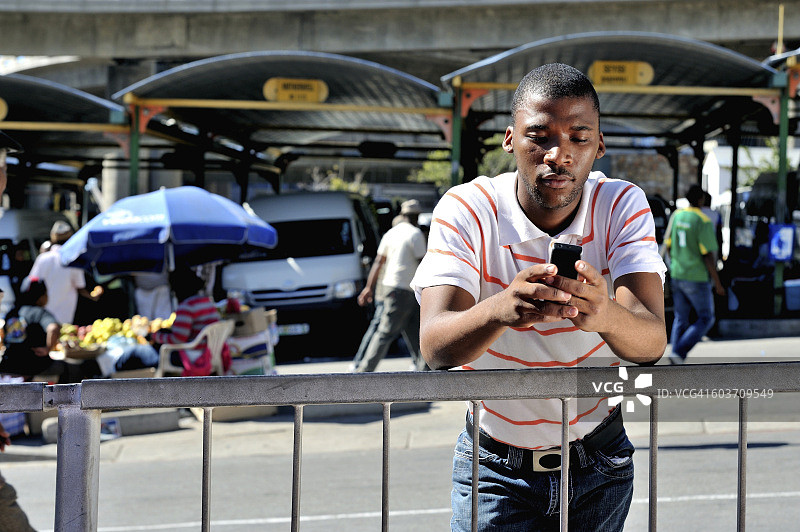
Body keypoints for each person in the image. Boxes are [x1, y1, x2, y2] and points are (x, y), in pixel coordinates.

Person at [411, 63, 667, 531]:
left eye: (578, 137)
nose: (559, 154)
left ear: (599, 145)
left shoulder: (621, 204)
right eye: (539, 136)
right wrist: (500, 309)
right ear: (510, 139)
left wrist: (604, 315)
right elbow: (435, 347)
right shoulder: (467, 208)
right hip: (495, 467)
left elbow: (651, 343)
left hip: (600, 461)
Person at [354, 200, 428, 372]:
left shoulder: (391, 233)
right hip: (404, 289)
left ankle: (425, 371)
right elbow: (423, 264)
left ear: (402, 215)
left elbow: (378, 261)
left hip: (391, 287)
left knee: (416, 333)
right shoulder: (416, 234)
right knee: (385, 332)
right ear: (417, 217)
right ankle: (363, 372)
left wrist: (369, 288)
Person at [664, 184, 725, 364]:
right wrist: (718, 282)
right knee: (706, 317)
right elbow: (708, 255)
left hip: (678, 273)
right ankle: (679, 351)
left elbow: (668, 245)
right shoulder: (703, 220)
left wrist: (674, 264)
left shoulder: (677, 215)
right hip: (696, 277)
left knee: (680, 318)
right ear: (701, 199)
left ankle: (675, 354)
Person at [150, 268, 229, 376]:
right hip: (210, 351)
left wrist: (155, 336)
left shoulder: (187, 306)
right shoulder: (206, 301)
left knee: (148, 353)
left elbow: (178, 339)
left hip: (194, 355)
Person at [28, 221, 102, 324]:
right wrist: (92, 297)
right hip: (64, 318)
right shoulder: (72, 260)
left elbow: (32, 283)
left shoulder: (42, 258)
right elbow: (80, 287)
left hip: (44, 317)